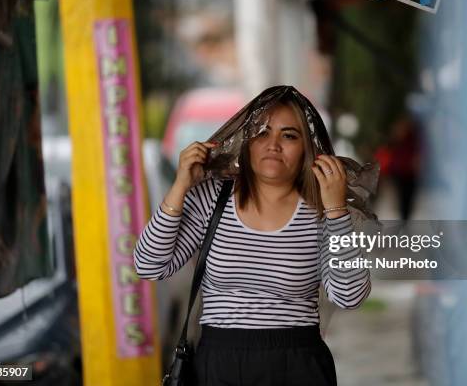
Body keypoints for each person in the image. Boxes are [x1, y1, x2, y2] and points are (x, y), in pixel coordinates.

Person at [134, 85, 378, 386]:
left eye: (289, 135)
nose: (273, 144)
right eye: (262, 132)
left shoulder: (324, 207)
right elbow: (149, 265)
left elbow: (350, 296)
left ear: (307, 148)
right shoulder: (212, 197)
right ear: (245, 140)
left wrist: (337, 212)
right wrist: (179, 187)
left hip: (298, 365)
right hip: (218, 363)